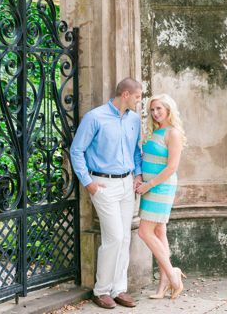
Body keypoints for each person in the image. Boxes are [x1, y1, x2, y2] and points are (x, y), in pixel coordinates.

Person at [70, 78, 143, 310]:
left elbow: (136, 151)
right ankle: (101, 290)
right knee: (114, 237)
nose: (140, 101)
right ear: (126, 95)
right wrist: (88, 182)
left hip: (127, 184)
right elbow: (76, 150)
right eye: (138, 97)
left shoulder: (133, 119)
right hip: (102, 184)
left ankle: (118, 289)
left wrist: (138, 175)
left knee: (125, 238)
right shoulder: (95, 117)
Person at [136, 94, 186, 300]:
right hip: (148, 187)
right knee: (159, 232)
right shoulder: (154, 130)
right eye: (152, 110)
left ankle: (173, 275)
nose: (155, 113)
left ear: (168, 109)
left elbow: (172, 167)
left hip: (160, 188)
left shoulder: (173, 133)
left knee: (144, 232)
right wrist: (141, 179)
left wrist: (148, 185)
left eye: (159, 109)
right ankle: (164, 283)